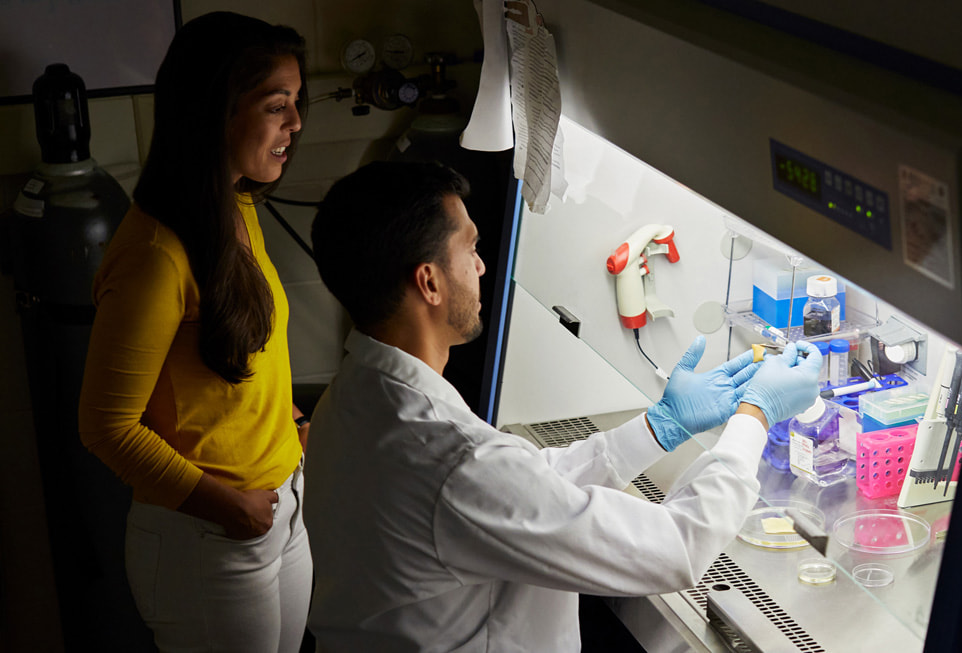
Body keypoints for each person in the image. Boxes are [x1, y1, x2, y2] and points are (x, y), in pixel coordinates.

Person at [304, 160, 822, 652]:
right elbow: (676, 550)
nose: (483, 266)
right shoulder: (451, 460)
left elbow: (524, 487)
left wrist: (659, 428)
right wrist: (755, 415)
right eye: (471, 249)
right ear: (430, 282)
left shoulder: (351, 397)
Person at [78, 12, 312, 652]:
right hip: (207, 537)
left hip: (278, 508)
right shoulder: (155, 253)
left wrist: (285, 421)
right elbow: (105, 425)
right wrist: (227, 506)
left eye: (296, 102)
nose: (295, 123)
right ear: (216, 112)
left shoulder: (234, 206)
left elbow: (235, 357)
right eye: (276, 105)